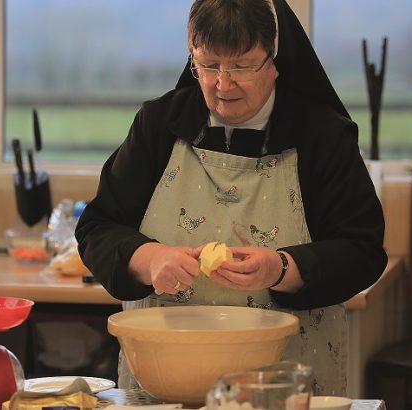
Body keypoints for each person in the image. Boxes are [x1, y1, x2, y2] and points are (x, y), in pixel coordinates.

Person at [76, 0, 387, 396]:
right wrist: (150, 259)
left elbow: (363, 251)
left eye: (241, 66)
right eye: (208, 65)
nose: (223, 84)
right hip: (164, 380)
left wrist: (281, 268)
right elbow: (97, 228)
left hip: (283, 384)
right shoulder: (158, 125)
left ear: (275, 60)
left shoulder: (323, 137)